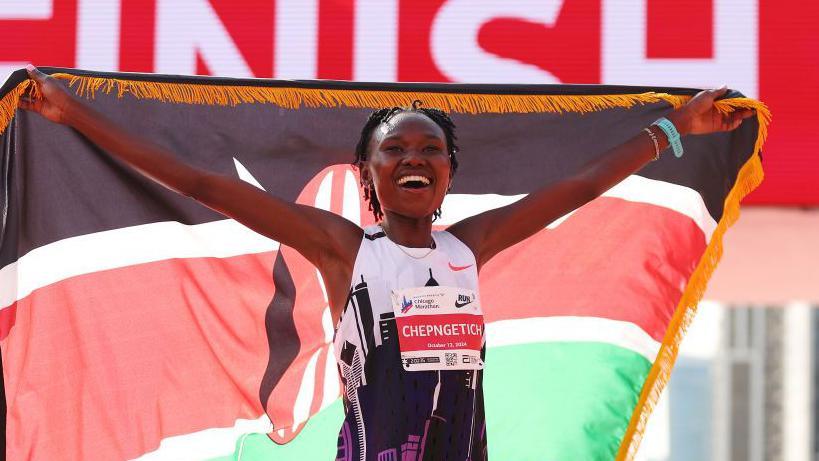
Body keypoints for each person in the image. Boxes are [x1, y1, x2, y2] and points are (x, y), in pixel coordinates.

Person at [20, 65, 752, 460]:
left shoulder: (470, 247)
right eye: (394, 149)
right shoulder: (344, 249)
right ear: (368, 178)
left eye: (429, 148)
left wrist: (674, 127)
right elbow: (208, 186)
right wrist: (74, 115)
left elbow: (578, 187)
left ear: (446, 177)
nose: (413, 157)